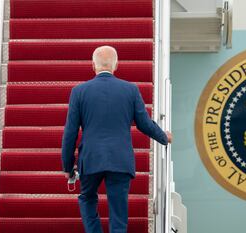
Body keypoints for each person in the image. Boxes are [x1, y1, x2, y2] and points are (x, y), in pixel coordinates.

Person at [61, 46, 172, 233]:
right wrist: (163, 137)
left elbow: (70, 132)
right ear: (116, 65)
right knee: (119, 212)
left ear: (92, 66)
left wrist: (67, 167)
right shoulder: (130, 90)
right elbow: (144, 124)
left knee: (87, 198)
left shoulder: (79, 92)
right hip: (120, 160)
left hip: (91, 159)